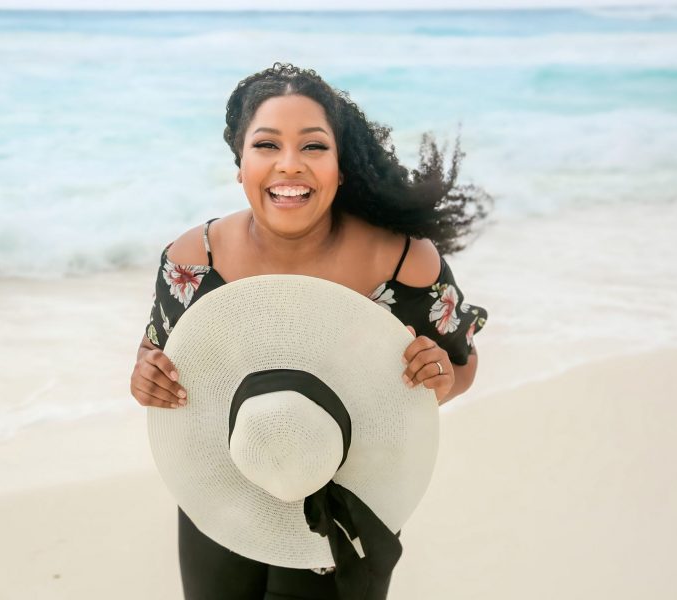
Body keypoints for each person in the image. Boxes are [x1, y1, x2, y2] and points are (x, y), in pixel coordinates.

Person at [130, 62, 490, 600]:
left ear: (341, 167)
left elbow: (460, 362)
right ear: (240, 164)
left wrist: (439, 378)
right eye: (266, 145)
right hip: (223, 482)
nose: (289, 164)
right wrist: (146, 378)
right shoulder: (194, 260)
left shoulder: (402, 263)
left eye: (314, 146)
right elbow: (156, 354)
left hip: (350, 494)